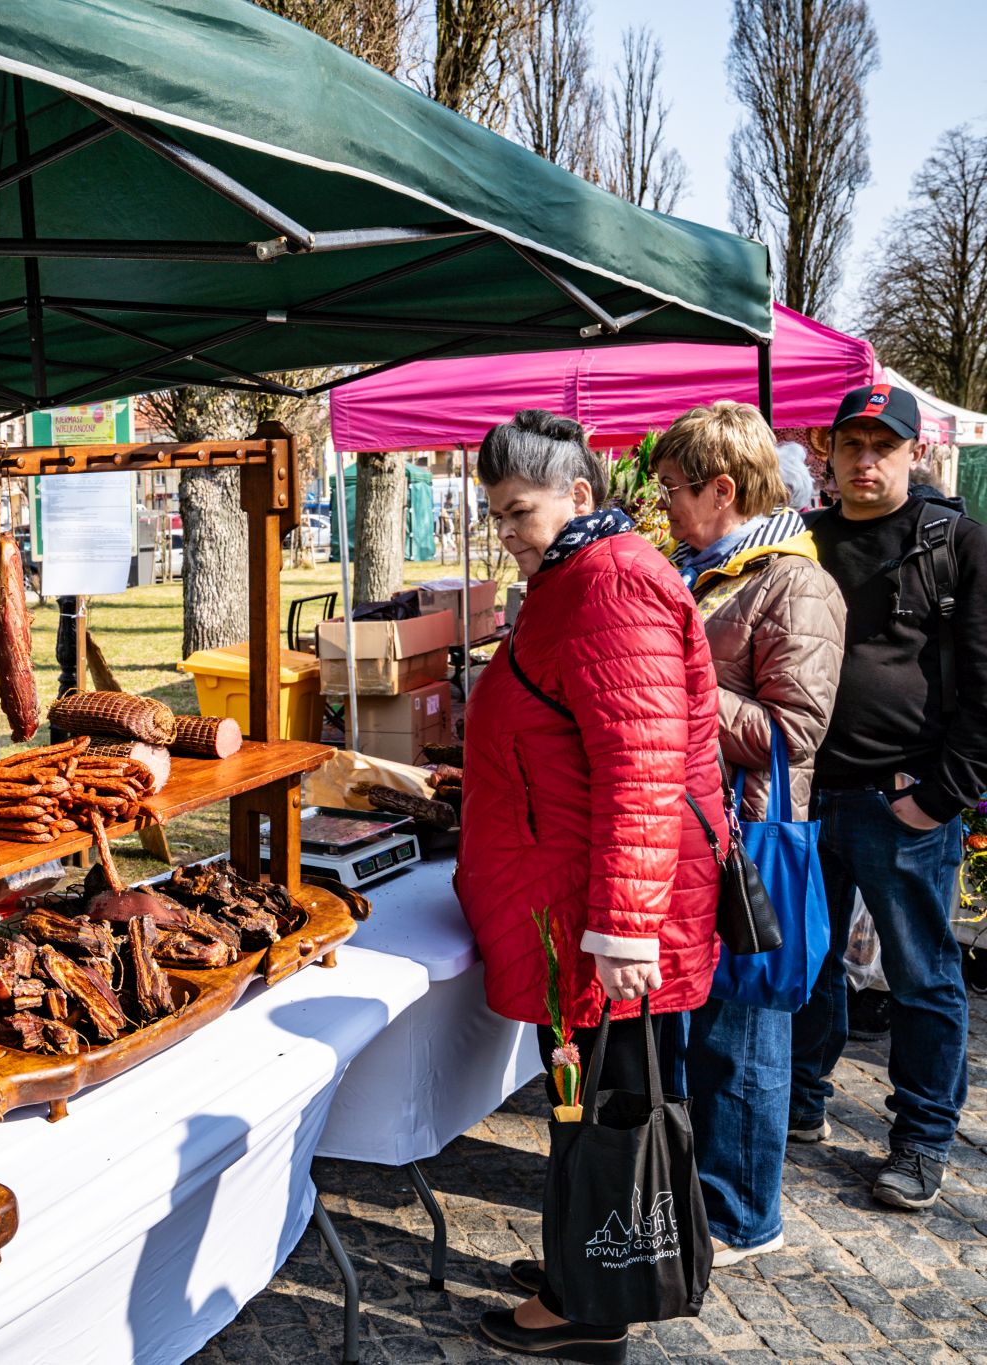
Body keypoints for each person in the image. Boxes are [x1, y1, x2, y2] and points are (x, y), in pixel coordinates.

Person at [457, 410, 724, 1363]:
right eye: (495, 514)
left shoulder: (611, 582)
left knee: (606, 1104)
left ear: (578, 494)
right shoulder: (578, 574)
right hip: (570, 890)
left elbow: (642, 768)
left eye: (517, 511)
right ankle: (581, 1261)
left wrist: (622, 927)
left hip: (598, 908)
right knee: (585, 1099)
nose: (506, 532)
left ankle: (590, 1304)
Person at [654, 402, 844, 1266]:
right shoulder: (704, 569)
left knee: (746, 1030)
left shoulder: (796, 584)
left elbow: (792, 730)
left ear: (723, 489)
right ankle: (701, 1187)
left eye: (673, 488)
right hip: (698, 830)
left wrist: (679, 684)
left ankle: (742, 1215)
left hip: (754, 837)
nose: (664, 504)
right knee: (705, 1023)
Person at [790, 382, 987, 1210]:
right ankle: (801, 1099)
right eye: (852, 445)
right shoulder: (802, 540)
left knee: (922, 976)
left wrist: (943, 795)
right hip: (807, 796)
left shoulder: (956, 542)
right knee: (807, 960)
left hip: (904, 802)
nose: (866, 461)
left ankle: (922, 1137)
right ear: (828, 453)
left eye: (884, 446)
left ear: (916, 452)